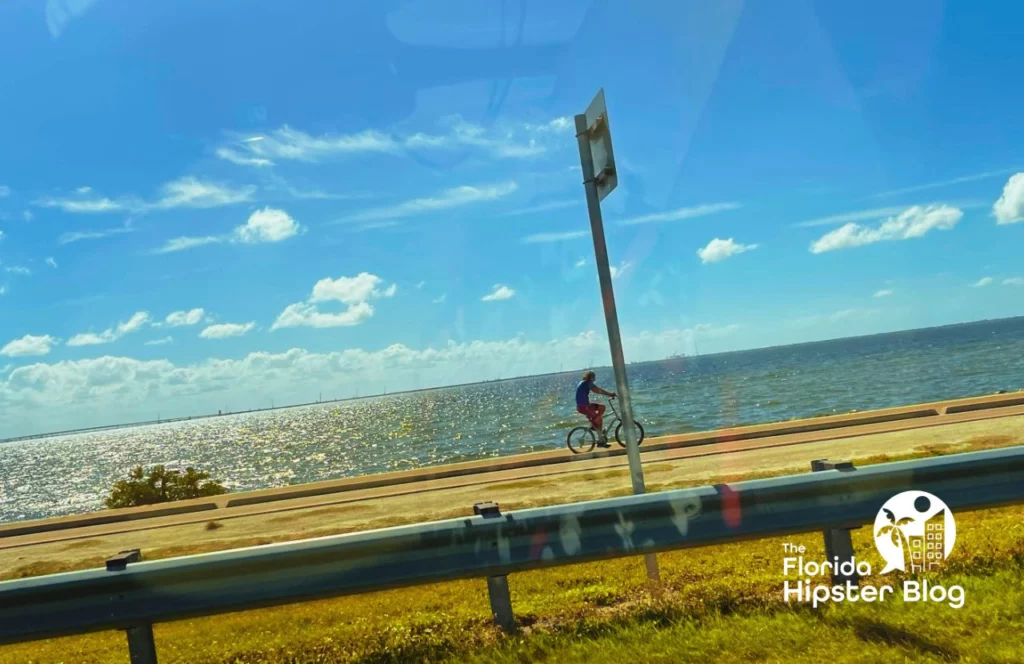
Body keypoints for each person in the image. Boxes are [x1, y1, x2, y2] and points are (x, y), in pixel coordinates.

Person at [575, 370, 616, 447]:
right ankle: (600, 441)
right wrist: (610, 394)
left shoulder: (584, 382)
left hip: (585, 405)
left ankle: (595, 426)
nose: (595, 378)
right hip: (583, 407)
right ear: (591, 377)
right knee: (599, 419)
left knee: (602, 407)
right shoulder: (587, 383)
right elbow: (598, 390)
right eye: (594, 377)